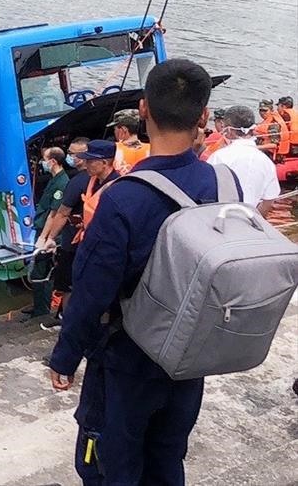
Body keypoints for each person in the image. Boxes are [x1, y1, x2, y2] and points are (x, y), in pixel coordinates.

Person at [49, 58, 240, 486]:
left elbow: (92, 291)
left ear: (144, 110)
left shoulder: (123, 198)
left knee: (110, 465)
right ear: (204, 116)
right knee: (168, 457)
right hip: (190, 358)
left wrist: (65, 356)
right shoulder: (226, 186)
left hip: (127, 360)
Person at [36, 137, 90, 323]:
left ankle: (66, 320)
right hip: (78, 238)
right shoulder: (85, 180)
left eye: (72, 154)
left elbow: (59, 213)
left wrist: (48, 238)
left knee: (67, 283)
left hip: (73, 241)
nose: (70, 157)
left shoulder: (71, 182)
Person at [207, 105, 280, 217]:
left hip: (221, 218)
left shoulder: (218, 157)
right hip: (250, 220)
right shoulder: (266, 162)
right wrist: (254, 219)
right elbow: (268, 200)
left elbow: (206, 191)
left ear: (229, 130)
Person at [23, 148, 69, 319]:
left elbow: (53, 214)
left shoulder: (62, 183)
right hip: (41, 228)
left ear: (53, 161)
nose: (42, 163)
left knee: (42, 272)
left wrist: (45, 237)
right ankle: (38, 305)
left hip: (47, 232)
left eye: (44, 159)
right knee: (38, 270)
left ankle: (42, 311)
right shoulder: (54, 180)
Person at [108, 109, 150, 175]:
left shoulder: (112, 149)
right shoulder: (151, 148)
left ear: (123, 129)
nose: (114, 132)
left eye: (115, 129)